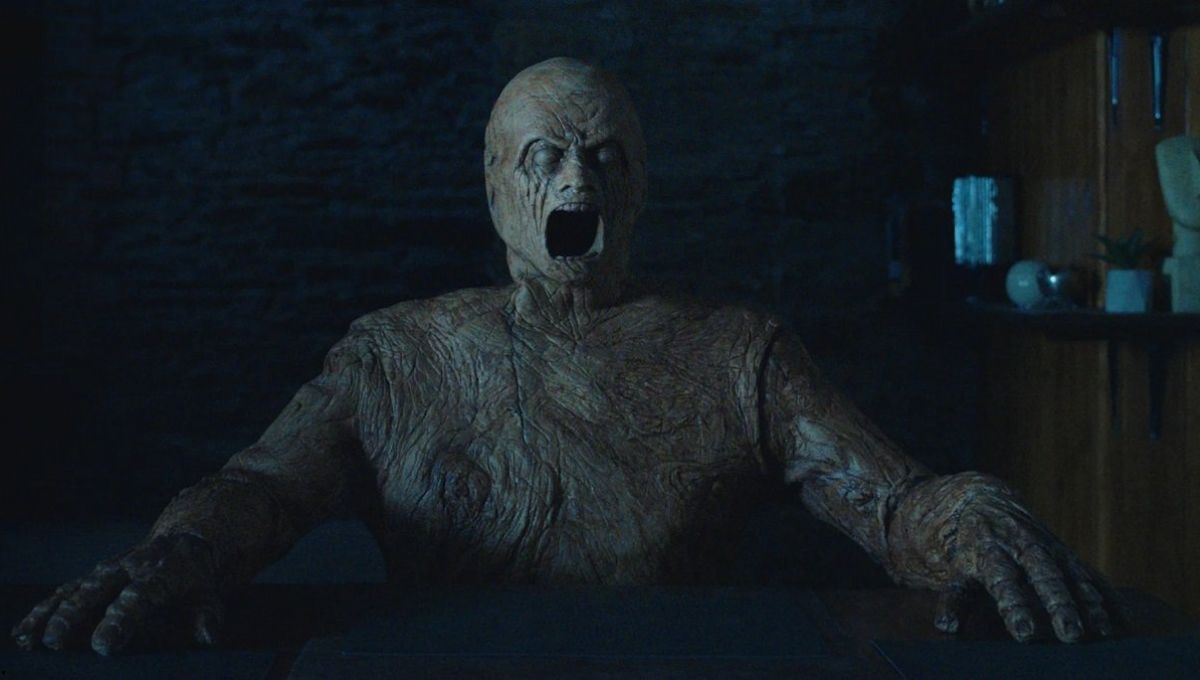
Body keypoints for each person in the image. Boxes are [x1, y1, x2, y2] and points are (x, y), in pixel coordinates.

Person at [13, 57, 1115, 656]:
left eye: (603, 155)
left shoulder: (737, 355)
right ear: (497, 185)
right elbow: (264, 484)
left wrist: (970, 518)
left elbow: (890, 499)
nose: (575, 181)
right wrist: (182, 549)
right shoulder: (397, 358)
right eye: (544, 156)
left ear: (640, 185)